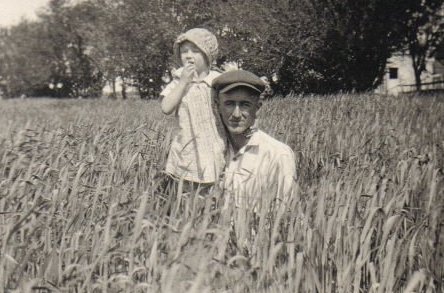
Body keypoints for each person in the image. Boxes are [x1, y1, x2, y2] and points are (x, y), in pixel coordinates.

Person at [212, 70, 297, 256]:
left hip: (257, 259)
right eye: (229, 104)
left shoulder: (277, 154)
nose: (236, 114)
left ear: (257, 107)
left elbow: (285, 218)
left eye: (244, 105)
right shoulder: (210, 152)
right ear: (217, 106)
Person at [160, 28, 226, 192]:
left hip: (213, 145)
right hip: (187, 146)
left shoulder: (217, 81)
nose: (188, 55)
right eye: (184, 51)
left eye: (195, 51)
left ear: (208, 56)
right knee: (185, 190)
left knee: (212, 187)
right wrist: (183, 83)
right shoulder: (178, 80)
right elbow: (166, 108)